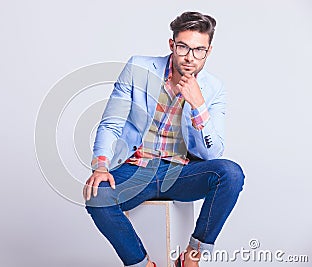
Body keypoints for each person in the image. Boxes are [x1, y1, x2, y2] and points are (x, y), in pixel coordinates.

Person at [83, 11, 244, 267]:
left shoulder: (214, 88)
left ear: (209, 51)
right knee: (96, 195)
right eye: (183, 47)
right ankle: (142, 263)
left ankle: (191, 257)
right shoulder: (139, 68)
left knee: (231, 174)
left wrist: (199, 106)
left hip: (181, 173)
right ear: (172, 44)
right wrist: (101, 165)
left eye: (199, 50)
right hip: (136, 169)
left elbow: (213, 154)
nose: (190, 57)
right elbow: (111, 122)